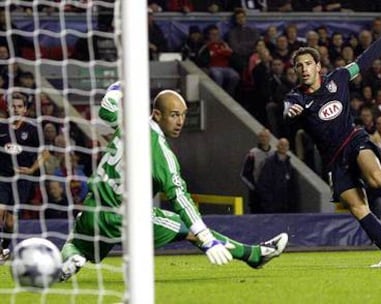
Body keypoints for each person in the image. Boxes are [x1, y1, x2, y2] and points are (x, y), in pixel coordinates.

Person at [60, 83, 288, 281]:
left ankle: (69, 260)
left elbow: (107, 110)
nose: (180, 121)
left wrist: (117, 88)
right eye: (174, 115)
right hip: (126, 217)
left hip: (92, 210)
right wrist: (207, 238)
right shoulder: (160, 151)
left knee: (76, 244)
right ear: (157, 115)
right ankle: (254, 255)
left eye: (183, 114)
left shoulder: (128, 123)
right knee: (189, 227)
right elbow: (179, 196)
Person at [284, 21, 381, 267]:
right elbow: (287, 107)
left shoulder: (339, 78)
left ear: (318, 66)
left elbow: (365, 59)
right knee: (356, 206)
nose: (304, 69)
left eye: (308, 64)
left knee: (378, 180)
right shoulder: (296, 96)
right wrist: (290, 111)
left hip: (354, 140)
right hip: (334, 160)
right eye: (299, 66)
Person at [0, 92, 48, 262]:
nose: (16, 109)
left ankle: (4, 248)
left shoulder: (33, 129)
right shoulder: (1, 127)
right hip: (3, 176)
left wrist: (32, 169)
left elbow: (45, 153)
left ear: (25, 110)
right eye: (13, 106)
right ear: (8, 108)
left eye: (20, 106)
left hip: (22, 180)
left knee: (11, 222)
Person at [256, 138, 297, 213]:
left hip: (286, 209)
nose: (283, 147)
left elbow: (293, 189)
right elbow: (263, 184)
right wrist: (269, 203)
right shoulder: (269, 163)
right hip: (272, 208)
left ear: (288, 148)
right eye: (281, 144)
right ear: (277, 146)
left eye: (286, 145)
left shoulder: (289, 166)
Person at [240, 129, 276, 213]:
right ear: (259, 138)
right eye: (262, 136)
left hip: (271, 194)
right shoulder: (252, 153)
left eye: (266, 136)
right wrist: (254, 188)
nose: (264, 139)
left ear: (270, 138)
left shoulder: (274, 153)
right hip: (257, 195)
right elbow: (244, 174)